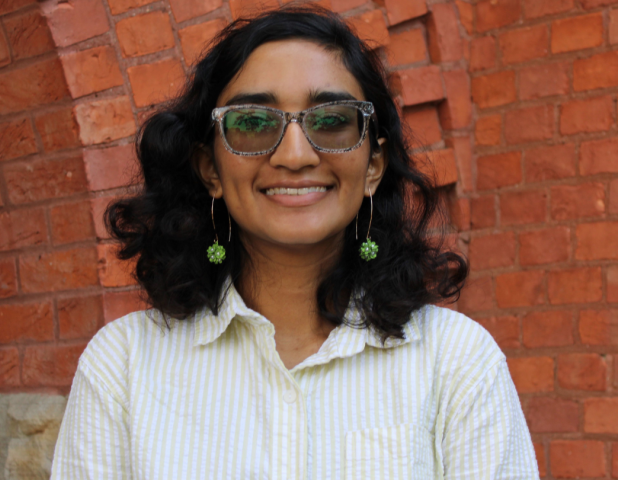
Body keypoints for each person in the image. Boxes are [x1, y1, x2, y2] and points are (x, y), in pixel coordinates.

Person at [51, 6, 539, 479]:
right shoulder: (124, 366)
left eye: (330, 121)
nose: (295, 155)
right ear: (209, 169)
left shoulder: (455, 362)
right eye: (252, 123)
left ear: (373, 166)